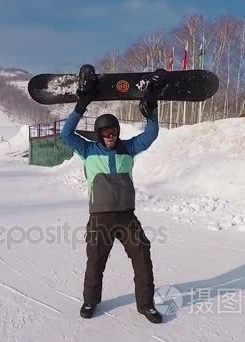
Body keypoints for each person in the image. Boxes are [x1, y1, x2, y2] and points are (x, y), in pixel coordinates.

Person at [60, 65, 165, 324]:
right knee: (95, 262)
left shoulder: (128, 148)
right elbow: (65, 134)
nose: (111, 136)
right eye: (106, 133)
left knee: (142, 256)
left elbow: (150, 135)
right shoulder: (87, 150)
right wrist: (81, 105)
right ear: (98, 134)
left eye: (114, 132)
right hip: (100, 219)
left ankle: (146, 305)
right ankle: (90, 301)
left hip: (127, 217)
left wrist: (151, 109)